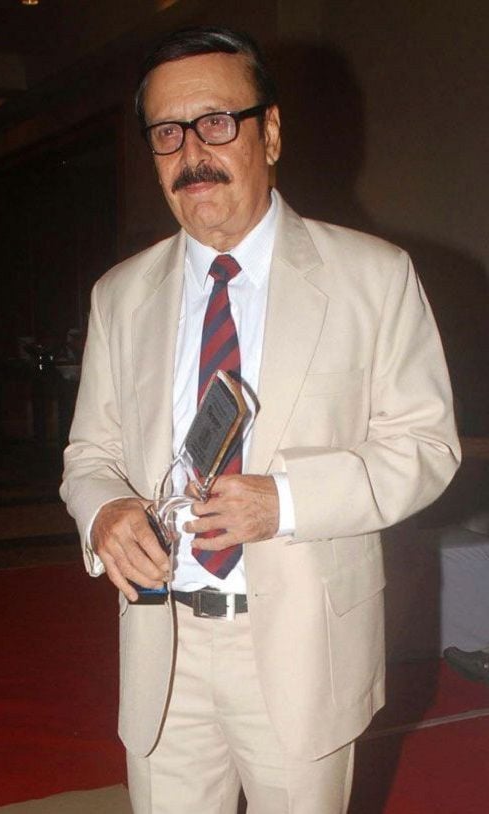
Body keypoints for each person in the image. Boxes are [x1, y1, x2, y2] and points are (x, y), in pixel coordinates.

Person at [60, 25, 461, 814]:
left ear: (269, 133)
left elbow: (424, 446)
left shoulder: (372, 277)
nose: (191, 153)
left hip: (301, 650)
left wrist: (287, 501)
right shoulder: (120, 296)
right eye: (167, 133)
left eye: (216, 123)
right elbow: (89, 453)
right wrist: (103, 510)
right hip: (162, 646)